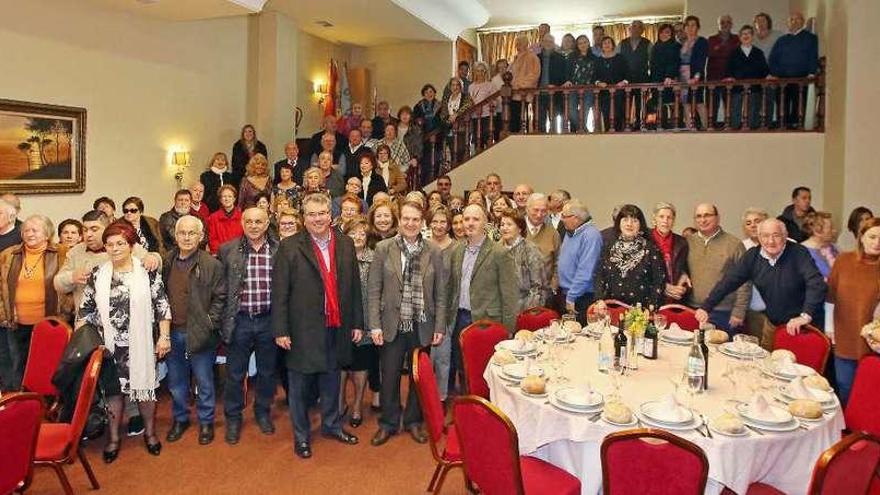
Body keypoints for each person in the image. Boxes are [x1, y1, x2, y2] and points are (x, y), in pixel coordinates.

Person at [273, 193, 362, 459]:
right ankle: (301, 437)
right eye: (311, 214)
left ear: (330, 215)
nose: (317, 219)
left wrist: (357, 322)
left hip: (336, 325)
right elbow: (279, 293)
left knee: (332, 380)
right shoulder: (289, 247)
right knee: (299, 387)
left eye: (322, 213)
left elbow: (355, 287)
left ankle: (332, 425)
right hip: (302, 328)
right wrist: (281, 329)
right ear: (304, 218)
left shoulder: (345, 244)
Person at [77, 221, 172, 462]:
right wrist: (85, 343)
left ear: (131, 245)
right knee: (113, 394)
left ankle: (150, 434)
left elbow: (162, 306)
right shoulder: (98, 275)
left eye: (120, 243)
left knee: (145, 392)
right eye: (109, 244)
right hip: (108, 348)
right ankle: (113, 439)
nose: (115, 248)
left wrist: (164, 337)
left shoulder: (147, 271)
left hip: (140, 345)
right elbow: (85, 312)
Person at [368, 201, 447, 446]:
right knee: (389, 376)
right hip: (392, 323)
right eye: (406, 219)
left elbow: (441, 293)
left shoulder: (433, 251)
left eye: (415, 219)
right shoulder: (383, 248)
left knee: (417, 377)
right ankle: (389, 422)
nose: (410, 224)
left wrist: (440, 327)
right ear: (399, 221)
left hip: (421, 324)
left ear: (422, 223)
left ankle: (413, 420)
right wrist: (375, 324)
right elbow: (374, 290)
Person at [695, 218, 826, 349]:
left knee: (803, 366)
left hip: (804, 326)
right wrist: (706, 306)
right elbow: (728, 282)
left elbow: (816, 283)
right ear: (759, 237)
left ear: (785, 236)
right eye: (765, 236)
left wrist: (805, 315)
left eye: (776, 235)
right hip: (774, 324)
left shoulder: (799, 252)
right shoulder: (753, 256)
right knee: (767, 363)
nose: (771, 241)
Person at [162, 216, 226, 446]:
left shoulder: (212, 264)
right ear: (175, 235)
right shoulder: (166, 261)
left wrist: (210, 323)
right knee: (176, 381)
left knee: (204, 381)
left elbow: (221, 298)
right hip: (173, 332)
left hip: (201, 333)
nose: (187, 238)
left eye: (192, 233)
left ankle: (206, 421)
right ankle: (180, 419)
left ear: (201, 237)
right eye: (182, 233)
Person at [218, 207, 279, 445]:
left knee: (267, 372)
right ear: (242, 223)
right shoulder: (227, 250)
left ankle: (262, 411)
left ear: (266, 224)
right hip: (239, 320)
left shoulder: (278, 249)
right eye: (249, 221)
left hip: (268, 319)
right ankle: (233, 417)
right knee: (234, 374)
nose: (254, 226)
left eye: (259, 222)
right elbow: (221, 291)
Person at [447, 204, 517, 392]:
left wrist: (508, 331)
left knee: (485, 372)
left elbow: (509, 295)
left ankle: (485, 412)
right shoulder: (457, 250)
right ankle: (467, 407)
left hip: (487, 322)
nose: (469, 223)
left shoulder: (499, 253)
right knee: (463, 368)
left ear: (485, 222)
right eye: (466, 219)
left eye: (475, 219)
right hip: (459, 319)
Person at [0, 215, 65, 390]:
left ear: (47, 233)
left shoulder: (61, 253)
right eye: (26, 230)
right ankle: (21, 405)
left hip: (50, 324)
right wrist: (3, 313)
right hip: (17, 324)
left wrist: (66, 310)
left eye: (34, 230)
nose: (29, 234)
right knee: (19, 367)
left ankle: (47, 407)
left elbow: (67, 285)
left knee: (47, 368)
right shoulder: (9, 254)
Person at [825, 218, 880, 405]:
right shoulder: (844, 260)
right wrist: (829, 328)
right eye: (872, 236)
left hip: (875, 343)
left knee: (869, 392)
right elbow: (830, 297)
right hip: (845, 335)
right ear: (861, 237)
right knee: (845, 386)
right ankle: (847, 431)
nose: (877, 242)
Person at [338, 217, 378, 429]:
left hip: (367, 321)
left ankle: (357, 406)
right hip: (342, 321)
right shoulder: (338, 258)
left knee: (361, 364)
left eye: (362, 233)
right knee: (342, 365)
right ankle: (340, 402)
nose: (358, 237)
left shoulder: (375, 259)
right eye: (353, 233)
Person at [685, 203, 749, 333]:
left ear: (717, 217)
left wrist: (739, 310)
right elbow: (679, 268)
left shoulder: (734, 244)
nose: (703, 220)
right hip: (692, 309)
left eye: (707, 215)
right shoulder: (687, 242)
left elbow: (745, 280)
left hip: (724, 312)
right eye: (698, 216)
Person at [593, 204, 666, 309]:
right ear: (619, 223)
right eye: (625, 220)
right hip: (610, 308)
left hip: (640, 312)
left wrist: (653, 304)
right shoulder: (609, 246)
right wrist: (599, 299)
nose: (629, 224)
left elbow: (659, 280)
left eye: (634, 220)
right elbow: (599, 275)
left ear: (641, 225)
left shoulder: (651, 249)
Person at [768, 12, 818, 128]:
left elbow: (813, 56)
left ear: (802, 22)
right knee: (782, 103)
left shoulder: (810, 38)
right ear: (787, 23)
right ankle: (783, 124)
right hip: (782, 79)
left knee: (799, 103)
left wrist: (811, 73)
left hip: (801, 78)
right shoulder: (782, 40)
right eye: (791, 20)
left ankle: (796, 125)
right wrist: (774, 74)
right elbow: (772, 58)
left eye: (797, 19)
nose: (794, 22)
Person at [499, 208, 547, 311]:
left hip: (524, 309)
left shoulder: (530, 250)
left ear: (519, 228)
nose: (504, 228)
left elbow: (538, 287)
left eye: (509, 224)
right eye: (502, 224)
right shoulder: (496, 249)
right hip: (500, 309)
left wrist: (529, 311)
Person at [726, 25, 769, 129]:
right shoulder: (733, 53)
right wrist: (730, 77)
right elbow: (729, 70)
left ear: (753, 36)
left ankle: (753, 132)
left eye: (748, 33)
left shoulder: (758, 53)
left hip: (755, 88)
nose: (746, 36)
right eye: (743, 34)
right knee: (735, 113)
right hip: (737, 88)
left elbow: (764, 70)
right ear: (740, 37)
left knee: (753, 113)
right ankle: (735, 132)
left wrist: (768, 76)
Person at [740, 207, 771, 341]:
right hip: (754, 311)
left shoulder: (785, 244)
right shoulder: (741, 247)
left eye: (757, 221)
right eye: (748, 223)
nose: (753, 225)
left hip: (783, 311)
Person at [650, 202, 689, 302]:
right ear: (654, 220)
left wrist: (682, 286)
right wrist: (663, 287)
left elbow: (684, 269)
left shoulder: (682, 242)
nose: (665, 221)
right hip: (650, 297)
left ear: (673, 221)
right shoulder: (644, 239)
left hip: (673, 298)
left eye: (669, 217)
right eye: (661, 217)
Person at [706, 15, 740, 127]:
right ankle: (711, 128)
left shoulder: (737, 39)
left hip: (731, 77)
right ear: (719, 25)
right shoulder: (711, 39)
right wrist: (725, 50)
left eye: (727, 22)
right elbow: (711, 54)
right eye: (722, 22)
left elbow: (737, 56)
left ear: (731, 24)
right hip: (713, 78)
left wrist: (720, 50)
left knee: (730, 106)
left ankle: (730, 128)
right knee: (712, 106)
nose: (725, 24)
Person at [524, 193, 561, 295]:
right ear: (527, 209)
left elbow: (558, 263)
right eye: (536, 210)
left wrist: (553, 287)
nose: (539, 214)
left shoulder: (553, 234)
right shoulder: (516, 229)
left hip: (544, 293)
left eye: (544, 211)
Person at [619, 20, 652, 128]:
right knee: (625, 104)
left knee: (641, 104)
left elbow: (653, 62)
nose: (635, 29)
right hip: (625, 80)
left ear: (642, 30)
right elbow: (616, 61)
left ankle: (640, 125)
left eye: (638, 27)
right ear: (629, 29)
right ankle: (625, 125)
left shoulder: (648, 43)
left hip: (642, 79)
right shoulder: (622, 43)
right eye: (633, 26)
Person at [680, 16, 709, 129]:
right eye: (688, 25)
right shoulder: (682, 43)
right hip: (683, 77)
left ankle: (706, 128)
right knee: (685, 104)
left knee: (698, 103)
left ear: (698, 27)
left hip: (696, 76)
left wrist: (697, 76)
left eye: (693, 25)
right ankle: (689, 128)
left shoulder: (702, 41)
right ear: (685, 28)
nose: (690, 28)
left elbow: (701, 60)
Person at [594, 36, 629, 132]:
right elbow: (594, 76)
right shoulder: (598, 60)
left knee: (618, 114)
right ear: (601, 46)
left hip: (619, 92)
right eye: (604, 43)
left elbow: (628, 73)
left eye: (609, 42)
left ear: (613, 45)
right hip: (604, 93)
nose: (607, 45)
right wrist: (598, 82)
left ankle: (619, 134)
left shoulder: (620, 58)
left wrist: (624, 82)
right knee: (606, 115)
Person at [650, 24, 682, 129]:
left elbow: (675, 62)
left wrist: (669, 76)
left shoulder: (676, 46)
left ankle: (676, 125)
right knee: (659, 104)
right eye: (662, 32)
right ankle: (661, 125)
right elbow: (652, 65)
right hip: (656, 79)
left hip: (669, 79)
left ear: (672, 34)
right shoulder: (655, 46)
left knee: (673, 104)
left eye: (667, 32)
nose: (664, 34)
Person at [564, 34, 597, 132]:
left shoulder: (594, 58)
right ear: (577, 45)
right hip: (573, 87)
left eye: (585, 42)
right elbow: (567, 71)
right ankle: (583, 128)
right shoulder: (571, 56)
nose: (582, 45)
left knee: (585, 109)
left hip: (588, 88)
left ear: (588, 43)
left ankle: (582, 129)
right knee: (571, 110)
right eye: (580, 43)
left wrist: (596, 81)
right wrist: (567, 80)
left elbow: (596, 74)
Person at [509, 35, 540, 133]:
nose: (518, 45)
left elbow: (534, 75)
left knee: (523, 122)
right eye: (517, 43)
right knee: (513, 123)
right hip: (513, 94)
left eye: (520, 43)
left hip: (525, 95)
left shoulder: (532, 57)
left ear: (526, 44)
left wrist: (519, 85)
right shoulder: (515, 58)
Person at [439, 77, 474, 164]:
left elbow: (470, 104)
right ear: (450, 87)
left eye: (457, 85)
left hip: (462, 129)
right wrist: (449, 119)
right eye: (453, 85)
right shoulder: (446, 98)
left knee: (461, 152)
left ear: (460, 86)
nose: (455, 87)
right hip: (449, 129)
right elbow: (443, 113)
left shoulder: (465, 96)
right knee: (452, 153)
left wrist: (457, 114)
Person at [536, 34, 567, 132]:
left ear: (554, 44)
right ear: (541, 43)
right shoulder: (536, 58)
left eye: (550, 42)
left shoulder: (561, 58)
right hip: (539, 94)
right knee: (539, 122)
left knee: (554, 122)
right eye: (546, 41)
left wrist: (556, 85)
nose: (548, 43)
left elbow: (564, 76)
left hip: (554, 94)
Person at [801, 211, 839, 280]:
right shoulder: (802, 252)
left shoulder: (834, 248)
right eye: (830, 228)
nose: (834, 231)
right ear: (817, 232)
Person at [207, 185, 243, 254]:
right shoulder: (213, 218)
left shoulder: (242, 217)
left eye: (230, 196)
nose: (227, 199)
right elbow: (212, 240)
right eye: (224, 196)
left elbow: (244, 238)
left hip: (238, 255)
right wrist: (222, 253)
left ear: (234, 199)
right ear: (220, 199)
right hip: (220, 255)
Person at [468, 62, 496, 148]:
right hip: (475, 116)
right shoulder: (471, 86)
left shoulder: (490, 85)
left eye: (482, 71)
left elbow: (495, 101)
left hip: (487, 115)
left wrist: (491, 102)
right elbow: (469, 101)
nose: (480, 73)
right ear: (475, 72)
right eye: (478, 71)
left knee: (487, 138)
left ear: (485, 72)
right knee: (477, 139)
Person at [397, 107, 423, 183]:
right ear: (399, 116)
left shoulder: (415, 130)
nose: (405, 116)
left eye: (407, 114)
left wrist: (415, 158)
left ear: (411, 116)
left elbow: (419, 146)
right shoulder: (394, 127)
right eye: (403, 114)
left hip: (408, 158)